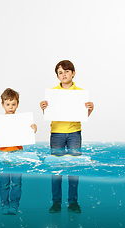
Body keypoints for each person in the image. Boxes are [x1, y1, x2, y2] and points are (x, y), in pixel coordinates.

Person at [40, 60, 94, 214]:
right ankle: (56, 202)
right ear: (57, 76)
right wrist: (44, 108)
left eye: (66, 71)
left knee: (73, 167)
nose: (63, 74)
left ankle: (73, 202)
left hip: (74, 133)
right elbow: (50, 114)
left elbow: (84, 115)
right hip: (56, 133)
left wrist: (91, 108)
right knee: (56, 168)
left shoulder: (80, 92)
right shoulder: (52, 93)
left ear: (73, 73)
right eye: (60, 72)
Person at [0, 88, 37, 215]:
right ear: (2, 105)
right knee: (4, 182)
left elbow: (28, 135)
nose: (11, 107)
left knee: (16, 182)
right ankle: (4, 204)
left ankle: (14, 204)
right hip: (3, 155)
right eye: (8, 104)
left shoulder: (21, 121)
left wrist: (33, 129)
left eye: (13, 104)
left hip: (17, 154)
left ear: (17, 105)